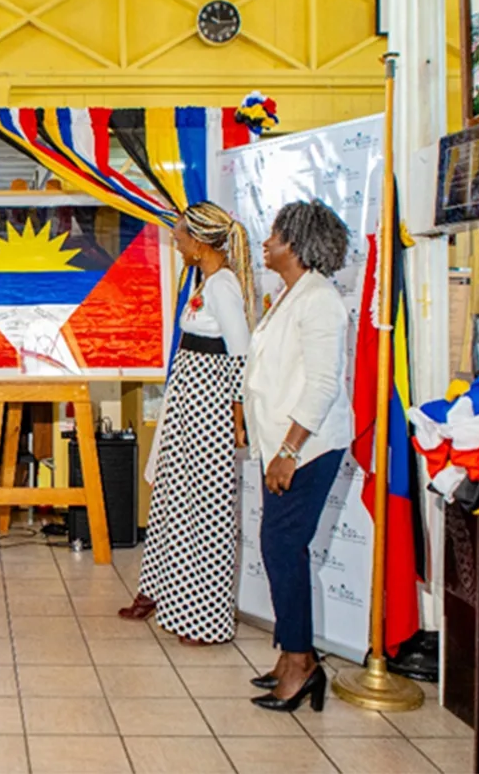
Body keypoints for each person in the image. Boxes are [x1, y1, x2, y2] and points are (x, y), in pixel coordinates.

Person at [119, 202, 255, 646]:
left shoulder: (224, 286)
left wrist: (237, 420)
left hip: (208, 410)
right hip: (187, 403)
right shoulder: (204, 281)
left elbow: (240, 356)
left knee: (206, 511)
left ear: (199, 241)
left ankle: (205, 618)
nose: (176, 245)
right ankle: (162, 593)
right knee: (172, 501)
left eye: (179, 238)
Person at [244, 199, 352, 713]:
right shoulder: (292, 294)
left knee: (283, 549)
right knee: (280, 550)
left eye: (275, 235)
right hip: (282, 447)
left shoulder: (321, 300)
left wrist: (289, 450)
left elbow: (323, 385)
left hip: (308, 448)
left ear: (298, 243)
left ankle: (301, 663)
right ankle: (290, 655)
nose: (266, 243)